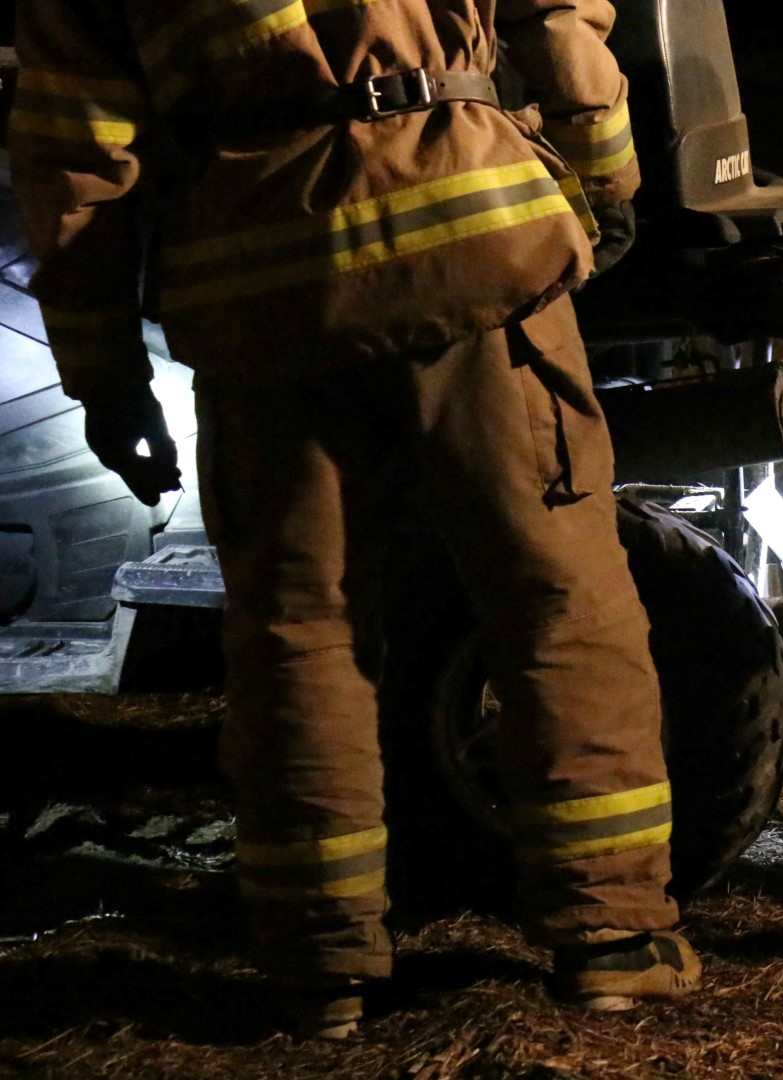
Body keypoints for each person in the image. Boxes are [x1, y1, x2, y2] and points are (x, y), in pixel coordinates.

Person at [10, 0, 697, 1037]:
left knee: (297, 632)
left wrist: (106, 373)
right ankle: (613, 940)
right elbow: (560, 25)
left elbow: (74, 160)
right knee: (556, 598)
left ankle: (319, 964)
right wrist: (600, 181)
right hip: (475, 248)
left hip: (261, 289)